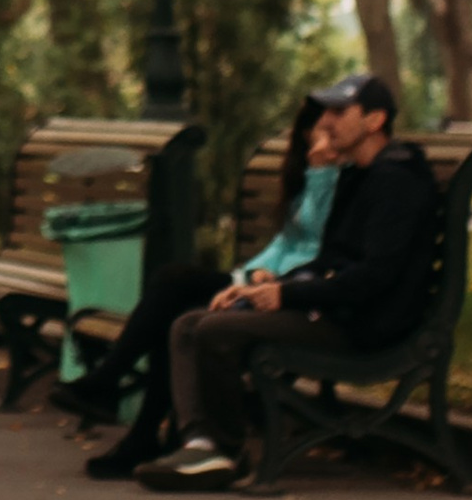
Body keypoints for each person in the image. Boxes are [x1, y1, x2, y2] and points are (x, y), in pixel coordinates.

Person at [141, 72, 436, 490]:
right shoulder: (360, 175)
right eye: (326, 111)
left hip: (364, 324)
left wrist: (288, 294)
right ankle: (201, 443)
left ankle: (227, 449)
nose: (326, 121)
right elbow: (331, 258)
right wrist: (262, 286)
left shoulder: (397, 183)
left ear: (374, 121)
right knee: (188, 323)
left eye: (339, 111)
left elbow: (374, 277)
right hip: (335, 308)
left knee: (214, 330)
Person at [55, 100, 340, 480]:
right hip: (265, 283)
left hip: (295, 293)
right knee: (174, 295)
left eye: (324, 134)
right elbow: (287, 243)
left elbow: (323, 247)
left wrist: (325, 174)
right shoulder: (314, 173)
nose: (316, 144)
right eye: (310, 136)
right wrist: (253, 274)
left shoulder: (343, 177)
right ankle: (136, 426)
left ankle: (114, 389)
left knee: (174, 283)